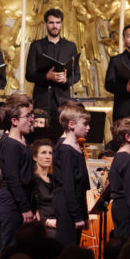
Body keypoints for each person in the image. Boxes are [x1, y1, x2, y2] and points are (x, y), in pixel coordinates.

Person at [0, 93, 36, 252]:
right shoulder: (10, 144)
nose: (31, 119)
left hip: (21, 199)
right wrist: (25, 207)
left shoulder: (22, 139)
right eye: (27, 116)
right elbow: (13, 179)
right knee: (9, 245)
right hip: (13, 202)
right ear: (14, 121)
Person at [26, 8, 80, 114]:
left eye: (57, 22)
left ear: (61, 24)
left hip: (63, 101)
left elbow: (77, 75)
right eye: (51, 22)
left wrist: (66, 80)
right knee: (41, 130)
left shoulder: (71, 46)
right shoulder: (36, 46)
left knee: (61, 130)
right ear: (46, 24)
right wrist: (46, 77)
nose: (54, 26)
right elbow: (29, 74)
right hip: (41, 99)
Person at [52, 103, 90, 245]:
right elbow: (69, 186)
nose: (88, 128)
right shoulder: (66, 150)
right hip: (68, 207)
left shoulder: (76, 148)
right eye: (85, 124)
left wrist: (84, 215)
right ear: (72, 124)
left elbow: (80, 188)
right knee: (67, 246)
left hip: (75, 205)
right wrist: (76, 215)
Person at [108, 117, 130, 238]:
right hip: (125, 209)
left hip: (118, 207)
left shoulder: (117, 156)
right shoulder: (128, 159)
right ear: (128, 137)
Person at [31, 138, 57, 238]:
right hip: (40, 224)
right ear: (35, 157)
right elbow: (31, 207)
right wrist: (46, 221)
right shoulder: (32, 179)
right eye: (43, 153)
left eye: (50, 153)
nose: (48, 156)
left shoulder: (54, 180)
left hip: (56, 221)